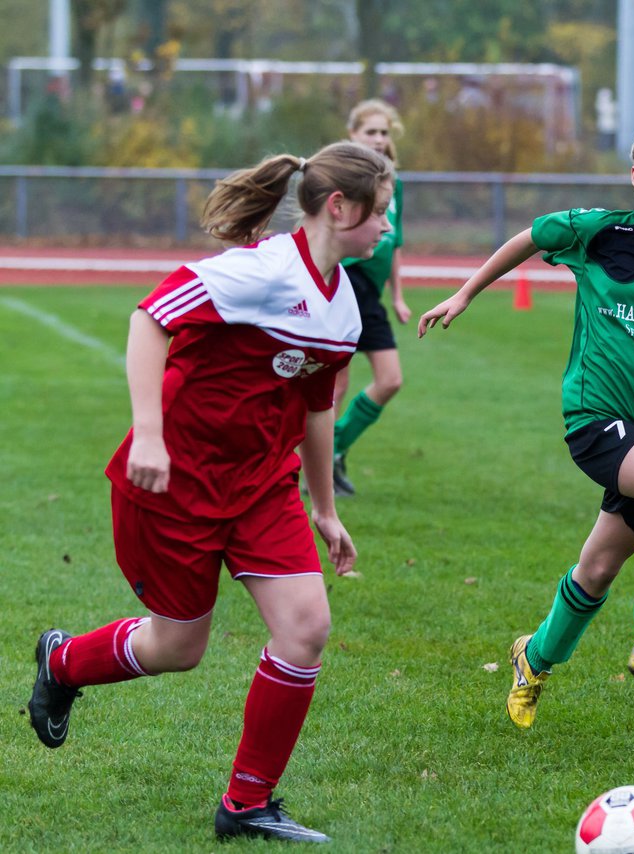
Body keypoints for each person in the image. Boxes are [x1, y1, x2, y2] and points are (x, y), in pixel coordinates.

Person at [27, 141, 393, 842]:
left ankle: (247, 804)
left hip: (260, 484)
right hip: (175, 482)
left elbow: (317, 410)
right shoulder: (255, 272)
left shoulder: (343, 308)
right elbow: (150, 319)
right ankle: (63, 662)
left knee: (306, 626)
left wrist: (324, 508)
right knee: (178, 646)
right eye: (384, 212)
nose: (390, 228)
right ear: (340, 208)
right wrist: (150, 434)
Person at [418, 120, 634, 729]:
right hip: (596, 419)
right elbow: (529, 235)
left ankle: (534, 657)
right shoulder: (597, 231)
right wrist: (466, 293)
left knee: (597, 570)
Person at [330, 99, 411, 496]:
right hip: (346, 283)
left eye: (384, 132)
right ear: (353, 136)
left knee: (390, 379)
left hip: (372, 296)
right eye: (371, 132)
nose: (379, 139)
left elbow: (395, 242)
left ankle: (333, 446)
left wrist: (397, 295)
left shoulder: (395, 183)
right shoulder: (345, 178)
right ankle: (313, 460)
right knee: (335, 383)